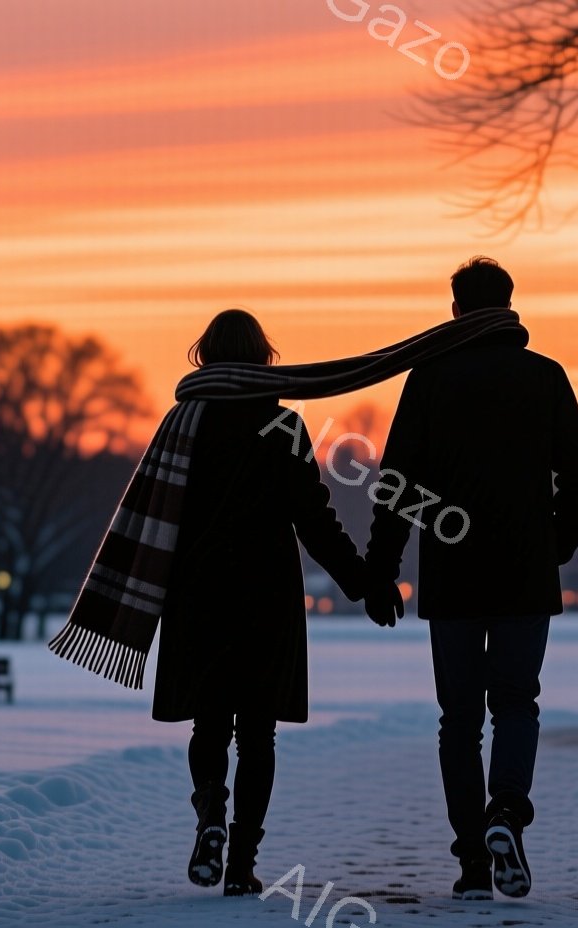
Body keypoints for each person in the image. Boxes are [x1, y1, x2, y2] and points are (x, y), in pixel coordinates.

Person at [364, 257, 578, 901]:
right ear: (510, 304)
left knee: (460, 721)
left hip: (453, 574)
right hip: (525, 573)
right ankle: (507, 814)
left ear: (455, 311)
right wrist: (554, 546)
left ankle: (471, 861)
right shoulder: (545, 377)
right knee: (518, 703)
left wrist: (381, 572)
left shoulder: (431, 378)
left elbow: (397, 485)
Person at [153, 309, 370, 896]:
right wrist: (363, 581)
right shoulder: (282, 428)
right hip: (264, 597)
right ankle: (242, 862)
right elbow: (314, 518)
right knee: (257, 734)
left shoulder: (181, 423)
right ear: (262, 357)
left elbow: (154, 515)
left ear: (206, 355)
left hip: (198, 596)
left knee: (209, 723)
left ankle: (209, 819)